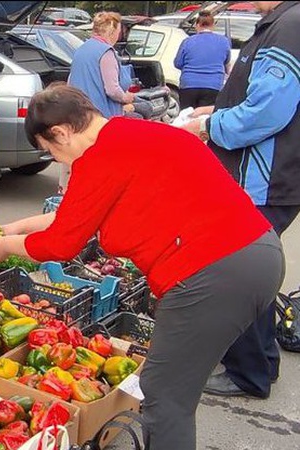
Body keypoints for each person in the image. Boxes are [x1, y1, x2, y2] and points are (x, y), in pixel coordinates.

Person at [0, 84, 283, 450]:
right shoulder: (136, 135)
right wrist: (13, 228)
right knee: (173, 388)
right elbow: (72, 217)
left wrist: (0, 247)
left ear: (61, 132)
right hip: (256, 253)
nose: (58, 161)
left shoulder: (99, 157)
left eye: (51, 152)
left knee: (164, 396)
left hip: (212, 271)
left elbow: (61, 244)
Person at [182, 0, 300, 399]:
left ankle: (248, 374)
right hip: (266, 177)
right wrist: (215, 107)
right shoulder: (278, 24)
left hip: (262, 180)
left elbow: (268, 111)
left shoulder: (289, 25)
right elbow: (261, 96)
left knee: (238, 273)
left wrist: (207, 125)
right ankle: (261, 361)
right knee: (254, 271)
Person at [68, 12, 136, 118]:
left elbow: (70, 82)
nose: (118, 36)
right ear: (111, 32)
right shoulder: (106, 52)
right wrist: (126, 98)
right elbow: (112, 90)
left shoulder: (81, 49)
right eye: (118, 32)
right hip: (101, 116)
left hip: (80, 113)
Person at [173, 11, 231, 109]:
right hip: (213, 85)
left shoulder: (187, 41)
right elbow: (226, 61)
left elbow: (178, 63)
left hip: (189, 85)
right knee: (205, 117)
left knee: (186, 116)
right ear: (213, 25)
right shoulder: (224, 41)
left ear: (197, 25)